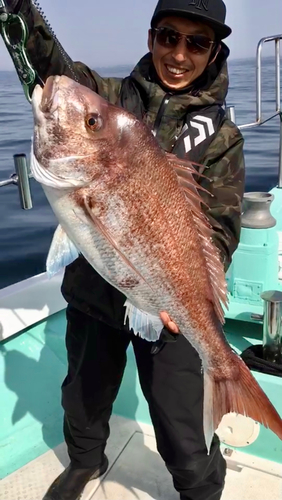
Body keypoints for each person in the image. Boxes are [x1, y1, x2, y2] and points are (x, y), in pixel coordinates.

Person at [4, 0, 245, 499]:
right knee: (83, 397)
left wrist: (181, 291)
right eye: (167, 36)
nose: (178, 54)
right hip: (95, 293)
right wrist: (18, 8)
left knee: (182, 429)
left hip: (171, 302)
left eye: (196, 42)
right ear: (152, 36)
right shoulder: (111, 99)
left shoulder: (222, 138)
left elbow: (219, 229)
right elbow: (53, 72)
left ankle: (201, 487)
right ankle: (85, 462)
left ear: (215, 52)